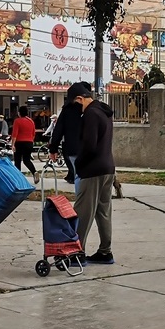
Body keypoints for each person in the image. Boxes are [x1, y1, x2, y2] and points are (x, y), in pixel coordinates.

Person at [68, 83, 116, 264]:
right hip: (107, 168)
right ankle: (105, 252)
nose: (76, 109)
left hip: (92, 170)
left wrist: (79, 165)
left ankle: (76, 252)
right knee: (103, 212)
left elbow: (89, 145)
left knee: (83, 212)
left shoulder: (91, 114)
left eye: (75, 104)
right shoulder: (103, 112)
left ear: (80, 99)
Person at [49, 84, 88, 187]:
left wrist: (53, 149)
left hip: (73, 147)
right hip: (90, 148)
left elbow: (58, 129)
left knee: (78, 175)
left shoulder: (68, 109)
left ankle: (81, 195)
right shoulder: (93, 108)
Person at [12, 106, 39, 184]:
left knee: (17, 161)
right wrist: (31, 141)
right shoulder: (31, 121)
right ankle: (34, 172)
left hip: (19, 143)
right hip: (29, 143)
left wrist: (12, 144)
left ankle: (18, 179)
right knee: (26, 160)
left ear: (19, 113)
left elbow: (14, 134)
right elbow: (33, 134)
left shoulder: (17, 121)